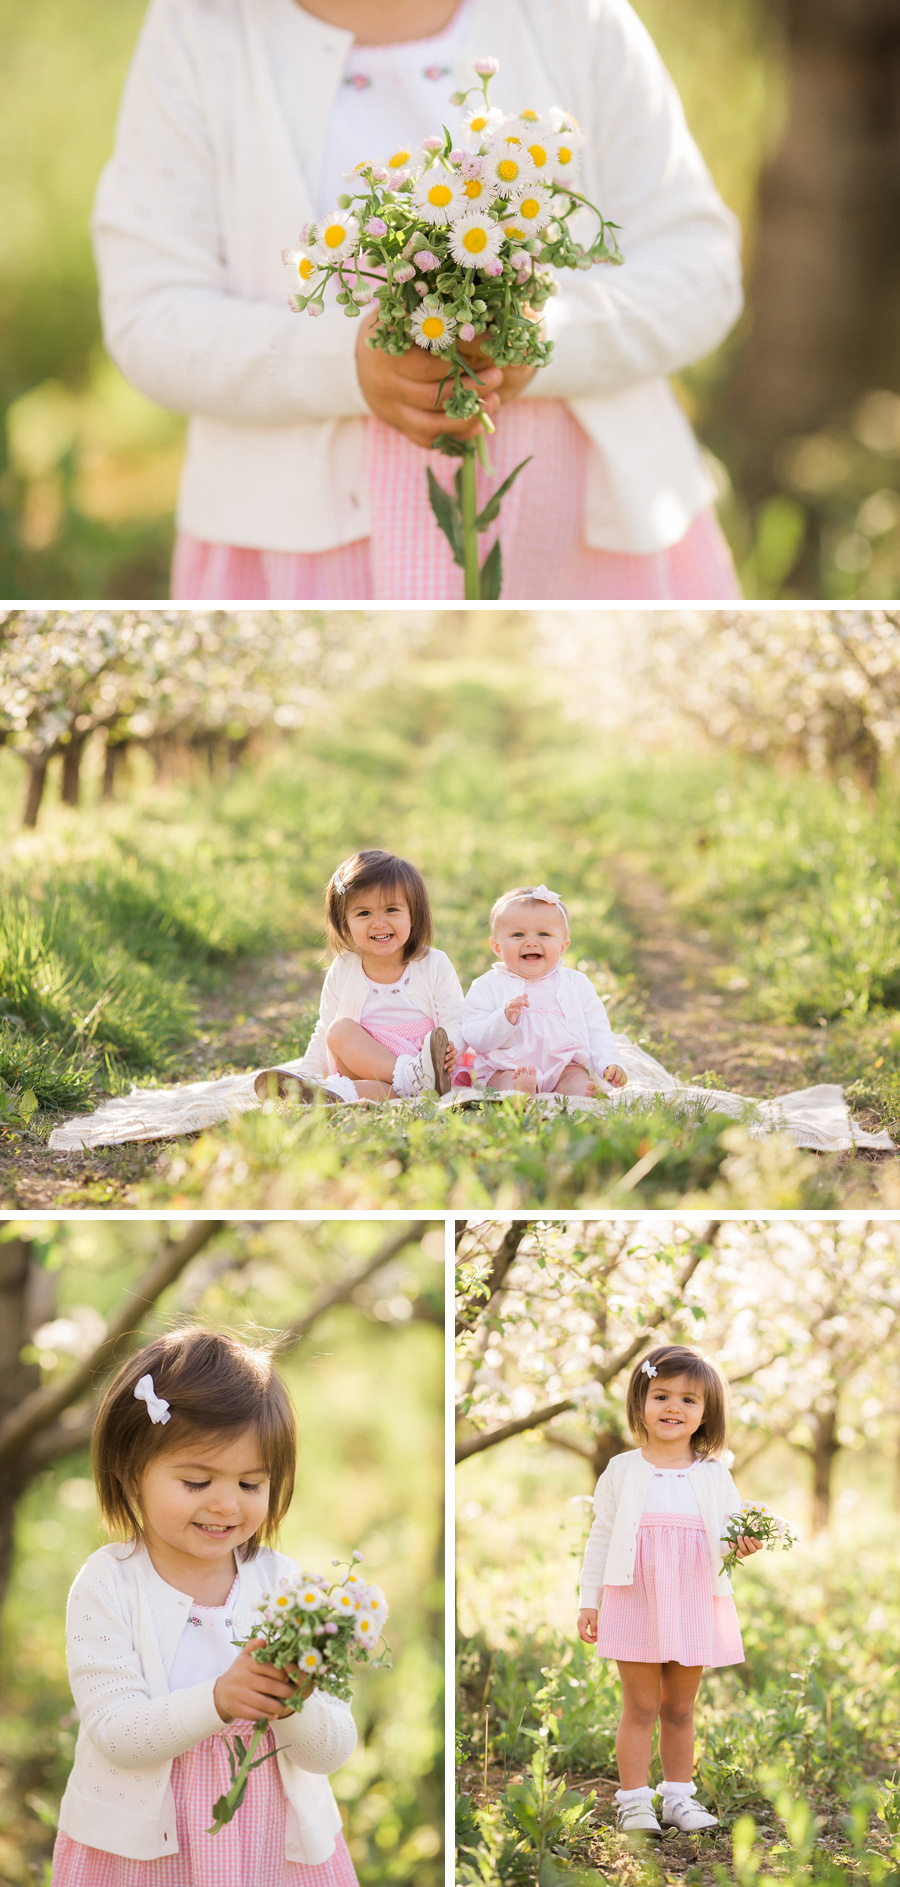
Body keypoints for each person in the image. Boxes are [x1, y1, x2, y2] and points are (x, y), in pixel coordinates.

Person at [92, 0, 744, 601]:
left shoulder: (571, 17)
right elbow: (152, 313)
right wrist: (344, 360)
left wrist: (541, 338)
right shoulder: (202, 30)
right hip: (300, 567)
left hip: (590, 547)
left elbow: (700, 269)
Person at [51, 1328, 360, 1886]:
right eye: (197, 1481)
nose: (225, 1503)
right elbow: (116, 1732)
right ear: (130, 1475)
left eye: (250, 1483)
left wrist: (292, 1703)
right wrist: (217, 1700)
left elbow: (332, 1748)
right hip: (144, 1853)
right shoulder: (110, 1584)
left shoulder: (288, 1587)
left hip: (272, 1840)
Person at [577, 1344, 764, 1838]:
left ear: (706, 1413)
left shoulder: (714, 1473)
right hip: (635, 1596)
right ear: (641, 1402)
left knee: (679, 1707)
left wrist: (742, 1545)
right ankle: (634, 1802)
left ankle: (678, 1797)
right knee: (639, 1706)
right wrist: (587, 1601)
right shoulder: (621, 1469)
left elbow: (727, 1533)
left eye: (689, 1400)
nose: (674, 1408)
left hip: (693, 1597)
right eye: (661, 1395)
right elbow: (600, 1538)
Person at [255, 849, 462, 1103]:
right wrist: (306, 1074)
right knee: (338, 1031)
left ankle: (411, 1078)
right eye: (364, 913)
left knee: (345, 1041)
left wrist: (451, 1049)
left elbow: (455, 1019)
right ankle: (315, 1094)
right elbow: (323, 1030)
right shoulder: (344, 968)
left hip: (423, 1062)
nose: (378, 923)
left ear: (413, 914)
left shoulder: (434, 964)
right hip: (367, 1064)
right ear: (345, 923)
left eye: (391, 910)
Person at [459, 884, 628, 1094]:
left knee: (577, 1079)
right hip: (508, 1067)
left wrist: (608, 1063)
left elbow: (598, 1030)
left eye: (544, 934)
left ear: (563, 946)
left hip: (564, 1065)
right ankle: (518, 1089)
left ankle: (580, 1092)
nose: (531, 942)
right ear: (497, 947)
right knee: (501, 1082)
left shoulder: (576, 984)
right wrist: (502, 1019)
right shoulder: (487, 986)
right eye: (518, 935)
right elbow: (474, 1036)